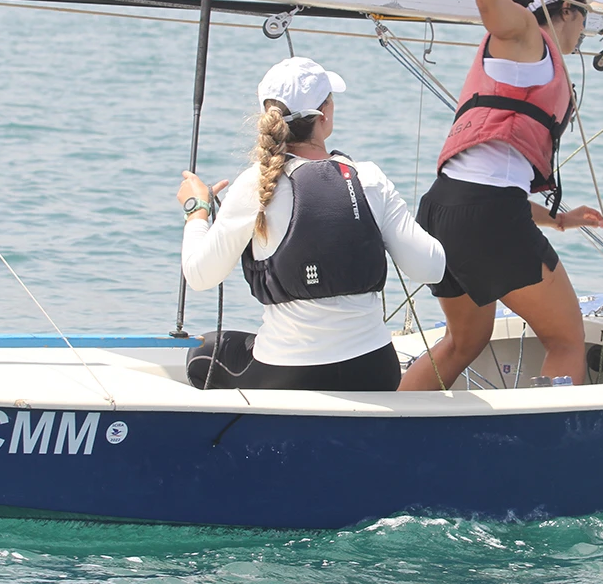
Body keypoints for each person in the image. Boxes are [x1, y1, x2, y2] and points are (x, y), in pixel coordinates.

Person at [398, 0, 603, 391]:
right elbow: (489, 2)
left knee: (464, 342)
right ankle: (551, 437)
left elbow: (488, 180)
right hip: (484, 217)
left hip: (443, 210)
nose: (585, 29)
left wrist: (557, 220)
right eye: (584, 16)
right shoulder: (523, 34)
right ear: (565, 9)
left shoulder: (525, 58)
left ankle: (392, 423)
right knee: (567, 340)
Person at [177, 56, 445, 391]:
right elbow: (431, 268)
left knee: (203, 352)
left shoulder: (255, 185)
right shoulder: (369, 178)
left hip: (288, 375)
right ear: (325, 114)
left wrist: (197, 210)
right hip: (374, 370)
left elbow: (200, 276)